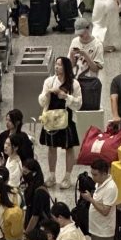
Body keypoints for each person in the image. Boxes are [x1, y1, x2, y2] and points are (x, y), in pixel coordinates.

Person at [38, 55, 82, 188]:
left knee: (69, 147)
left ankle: (67, 177)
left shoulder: (74, 84)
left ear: (66, 67)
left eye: (60, 65)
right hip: (51, 118)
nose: (57, 67)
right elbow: (41, 102)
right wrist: (47, 94)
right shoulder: (49, 81)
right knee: (51, 148)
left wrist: (66, 96)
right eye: (56, 64)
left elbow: (78, 104)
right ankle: (52, 176)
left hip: (67, 119)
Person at [86, 159, 118, 240]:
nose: (93, 177)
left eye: (95, 174)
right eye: (92, 174)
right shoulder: (99, 183)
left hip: (103, 233)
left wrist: (90, 199)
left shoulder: (110, 188)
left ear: (104, 173)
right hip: (96, 230)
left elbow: (105, 211)